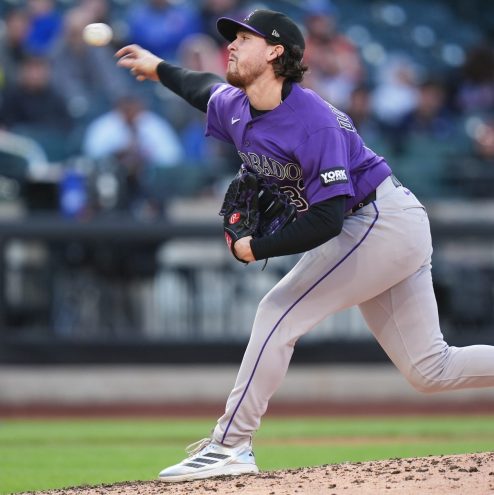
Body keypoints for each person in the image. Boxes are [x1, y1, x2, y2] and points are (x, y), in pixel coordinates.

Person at [116, 9, 494, 483]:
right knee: (430, 368)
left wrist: (256, 248)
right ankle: (231, 446)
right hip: (382, 223)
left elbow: (327, 220)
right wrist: (157, 67)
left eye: (244, 39)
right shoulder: (237, 104)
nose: (231, 44)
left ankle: (230, 445)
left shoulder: (313, 121)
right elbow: (201, 87)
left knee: (278, 310)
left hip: (378, 221)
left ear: (275, 52)